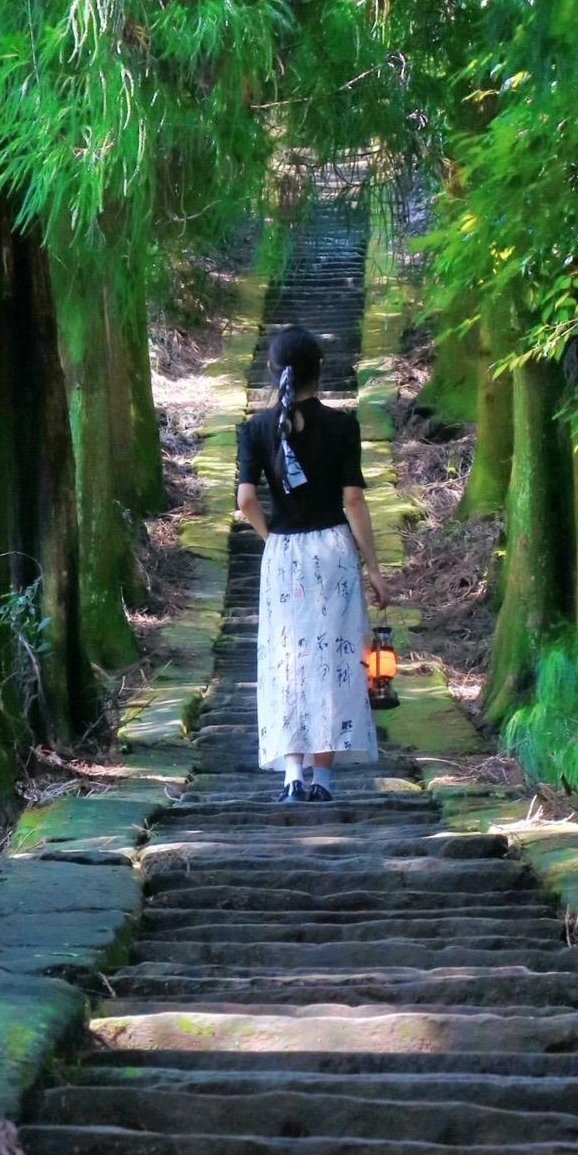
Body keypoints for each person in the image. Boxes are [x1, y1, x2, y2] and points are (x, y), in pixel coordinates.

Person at [235, 324, 388, 804]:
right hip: (333, 552)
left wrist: (270, 536)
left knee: (287, 658)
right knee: (335, 657)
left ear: (273, 371)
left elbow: (244, 500)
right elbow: (354, 501)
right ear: (319, 372)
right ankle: (322, 779)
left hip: (284, 555)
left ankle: (291, 775)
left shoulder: (255, 430)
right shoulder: (343, 426)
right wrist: (375, 568)